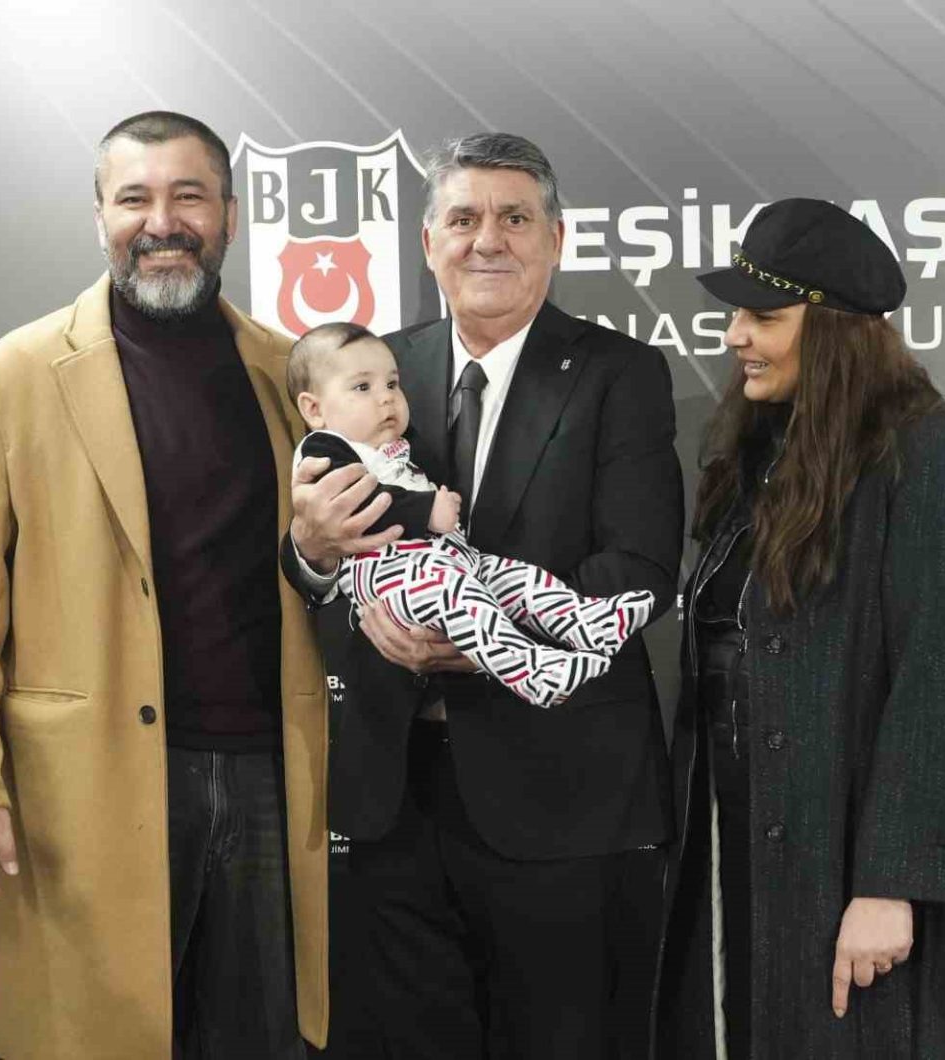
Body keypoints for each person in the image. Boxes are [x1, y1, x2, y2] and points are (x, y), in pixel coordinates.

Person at [0, 111, 328, 1060]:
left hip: (269, 776)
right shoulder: (13, 376)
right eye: (135, 198)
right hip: (87, 783)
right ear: (99, 216)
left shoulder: (289, 373)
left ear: (230, 215)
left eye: (189, 196)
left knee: (260, 1039)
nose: (163, 222)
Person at [283, 133, 683, 1058]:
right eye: (462, 219)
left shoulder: (620, 374)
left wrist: (479, 638)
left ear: (557, 239)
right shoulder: (371, 370)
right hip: (391, 798)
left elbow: (639, 569)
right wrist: (309, 551)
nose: (487, 240)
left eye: (514, 218)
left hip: (561, 798)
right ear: (428, 242)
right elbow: (316, 560)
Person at [653, 198, 945, 1059]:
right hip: (742, 836)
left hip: (849, 855)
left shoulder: (918, 449)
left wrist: (892, 885)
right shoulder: (761, 449)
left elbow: (944, 675)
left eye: (764, 317)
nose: (735, 336)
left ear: (831, 330)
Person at [286, 321, 656, 708]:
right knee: (456, 594)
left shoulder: (395, 444)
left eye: (392, 384)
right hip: (386, 573)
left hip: (450, 559)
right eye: (363, 388)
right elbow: (358, 508)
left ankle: (588, 622)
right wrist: (428, 509)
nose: (386, 399)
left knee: (517, 579)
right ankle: (533, 673)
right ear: (314, 409)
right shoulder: (324, 450)